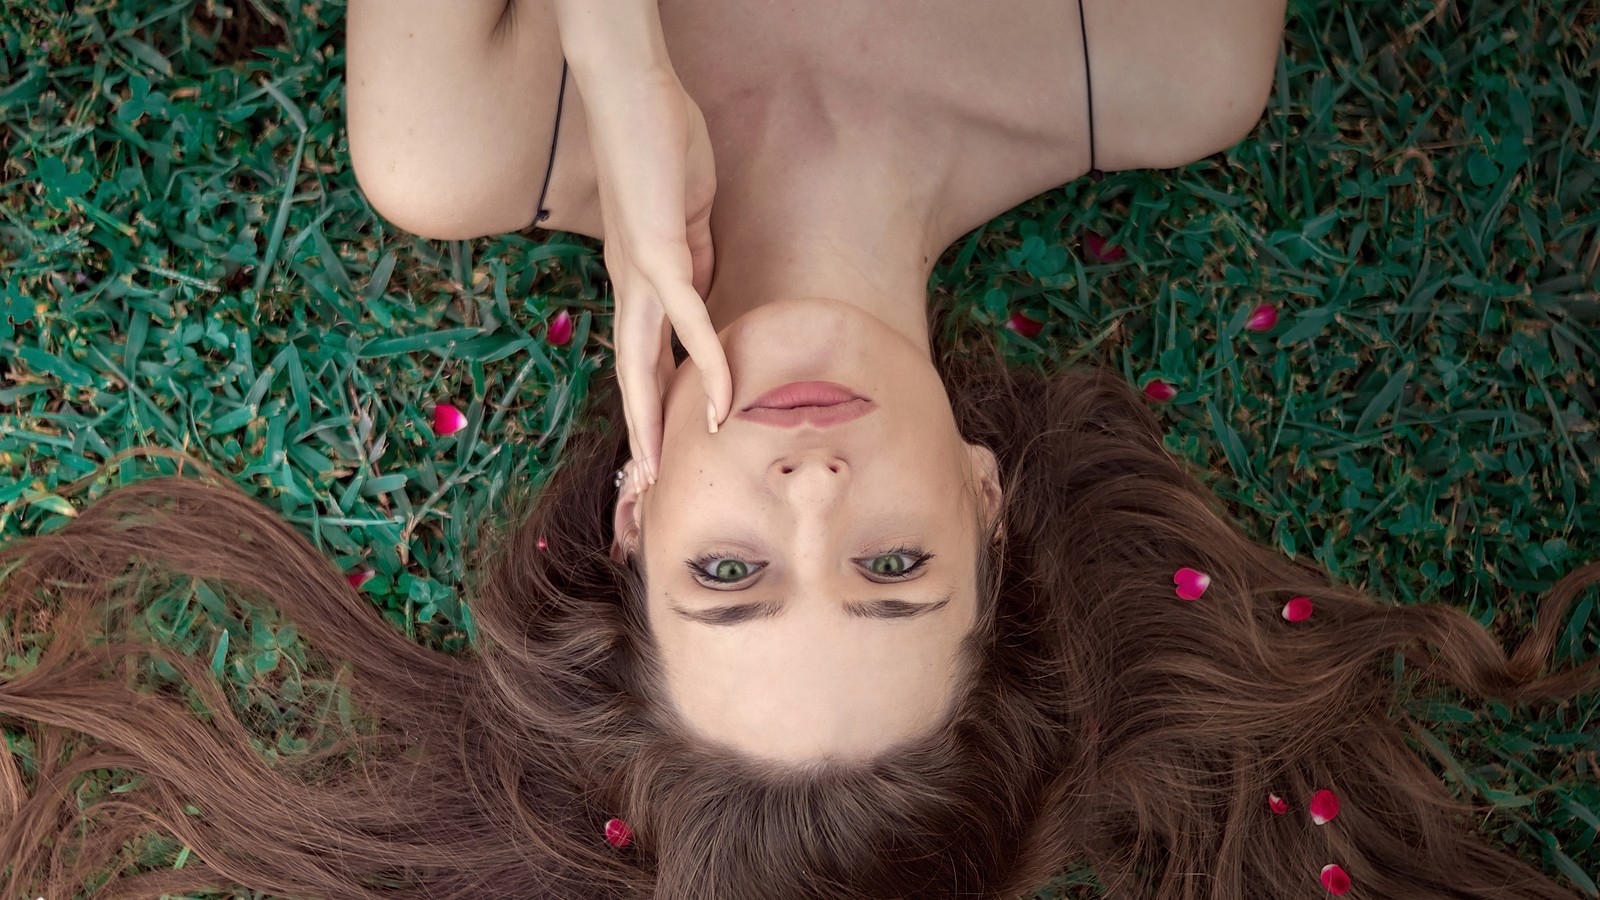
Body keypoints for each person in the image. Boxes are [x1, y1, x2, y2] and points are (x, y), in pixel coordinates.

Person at [2, 1, 1596, 898]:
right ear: (989, 503)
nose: (813, 497)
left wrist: (617, 61)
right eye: (895, 572)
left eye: (731, 574)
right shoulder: (1166, 62)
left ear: (633, 520)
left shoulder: (471, 143)